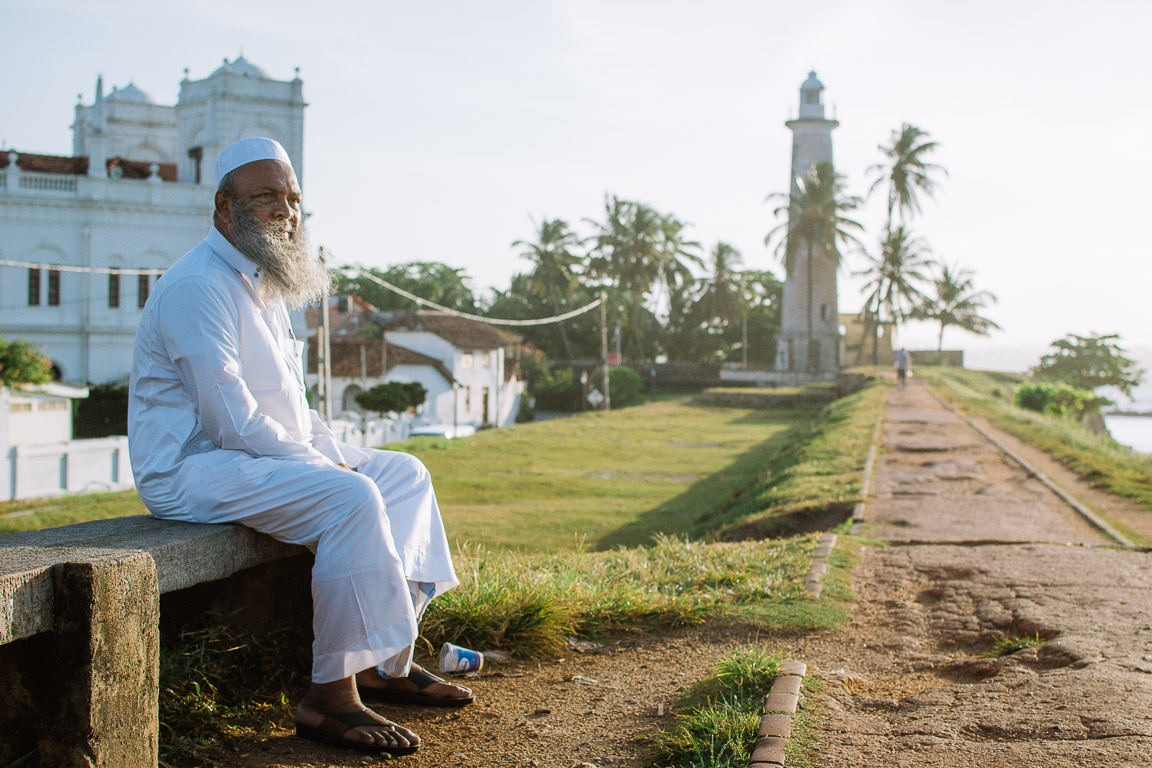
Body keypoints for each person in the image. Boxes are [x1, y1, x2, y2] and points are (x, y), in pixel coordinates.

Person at [129, 138, 470, 757]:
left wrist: (326, 448)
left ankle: (383, 663)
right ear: (224, 208)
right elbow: (230, 417)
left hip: (255, 458)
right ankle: (328, 698)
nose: (286, 211)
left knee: (405, 475)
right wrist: (323, 466)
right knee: (348, 497)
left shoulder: (263, 282)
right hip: (192, 468)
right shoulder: (196, 286)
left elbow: (290, 407)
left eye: (293, 199)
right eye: (267, 197)